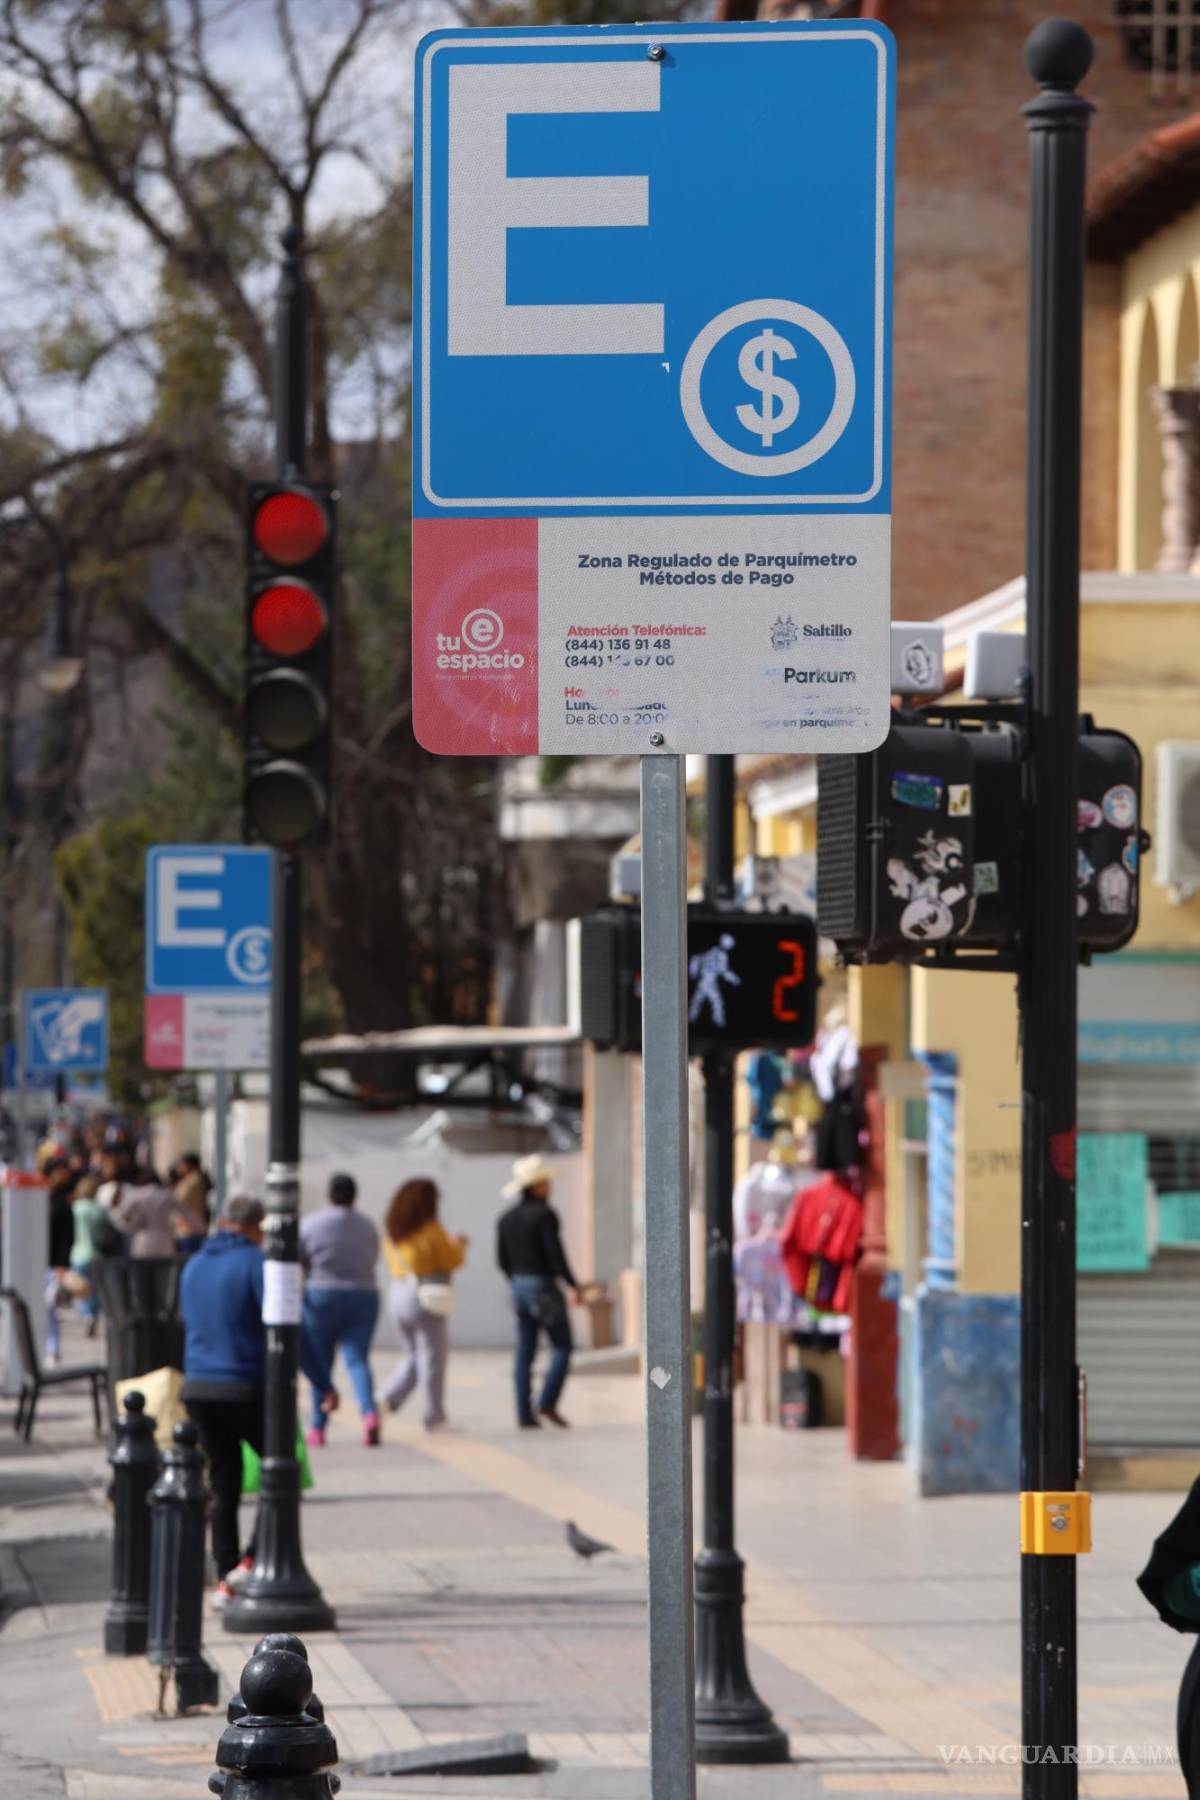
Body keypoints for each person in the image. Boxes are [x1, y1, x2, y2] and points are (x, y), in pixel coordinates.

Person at [180, 1195, 336, 1607]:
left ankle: (224, 1576)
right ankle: (249, 1562)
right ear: (254, 1226)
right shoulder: (258, 1265)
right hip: (244, 1386)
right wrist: (323, 1383)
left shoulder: (194, 1265)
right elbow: (291, 1329)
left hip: (199, 1388)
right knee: (280, 1470)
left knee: (224, 1481)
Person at [495, 1153, 582, 1430]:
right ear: (534, 1186)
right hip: (542, 1286)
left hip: (518, 1286)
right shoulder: (545, 1215)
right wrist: (572, 1285)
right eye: (545, 1182)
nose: (549, 1186)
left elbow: (502, 1260)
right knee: (563, 1345)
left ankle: (523, 1412)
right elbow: (555, 1255)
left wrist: (518, 1281)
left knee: (524, 1352)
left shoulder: (506, 1219)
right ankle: (547, 1401)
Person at [300, 1172, 381, 1448]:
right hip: (363, 1295)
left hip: (321, 1295)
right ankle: (369, 1413)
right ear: (354, 1196)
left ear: (329, 1195)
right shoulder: (368, 1225)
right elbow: (373, 1258)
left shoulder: (311, 1223)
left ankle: (317, 1427)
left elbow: (299, 1259)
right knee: (357, 1360)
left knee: (320, 1363)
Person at [381, 1178, 467, 1431]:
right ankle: (434, 1415)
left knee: (412, 1356)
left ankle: (386, 1400)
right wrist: (460, 1245)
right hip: (424, 1296)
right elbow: (450, 1260)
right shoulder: (431, 1229)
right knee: (432, 1359)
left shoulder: (393, 1232)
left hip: (397, 1292)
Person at [44, 1157, 77, 1368]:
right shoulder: (40, 1199)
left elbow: (67, 1236)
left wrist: (62, 1265)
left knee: (49, 1307)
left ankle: (53, 1350)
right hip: (38, 1261)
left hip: (54, 1265)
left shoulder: (63, 1204)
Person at [115, 1168, 189, 1257]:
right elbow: (187, 1212)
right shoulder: (165, 1195)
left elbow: (121, 1215)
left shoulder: (135, 1196)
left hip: (143, 1240)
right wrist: (200, 1229)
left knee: (143, 1269)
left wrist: (132, 1225)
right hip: (164, 1240)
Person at [69, 1173, 108, 1336]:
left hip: (79, 1254)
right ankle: (93, 1314)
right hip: (97, 1255)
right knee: (96, 1290)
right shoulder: (99, 1210)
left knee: (80, 1289)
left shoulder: (75, 1208)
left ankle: (87, 1314)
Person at [173, 1153, 211, 1255]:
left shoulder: (194, 1181)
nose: (179, 1167)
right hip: (189, 1228)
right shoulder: (192, 1180)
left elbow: (179, 1200)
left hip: (191, 1229)